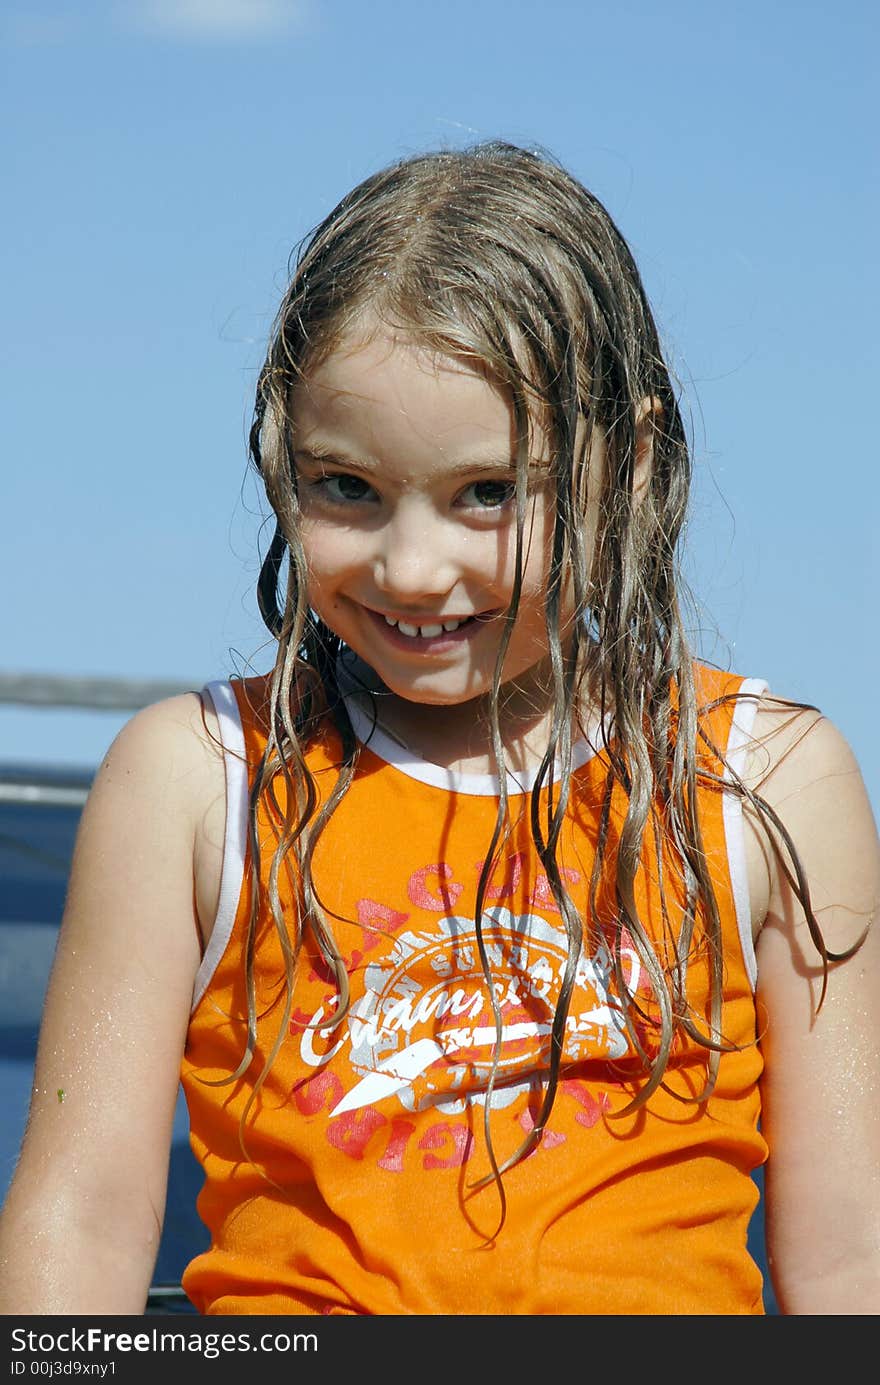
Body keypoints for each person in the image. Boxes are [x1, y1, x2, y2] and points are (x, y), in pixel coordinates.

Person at [1, 141, 878, 1318]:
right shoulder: (197, 781)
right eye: (347, 488)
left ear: (626, 465)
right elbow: (82, 1216)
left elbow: (845, 1258)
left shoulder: (759, 777)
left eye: (487, 492)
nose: (413, 568)